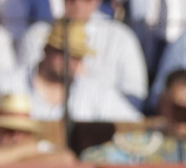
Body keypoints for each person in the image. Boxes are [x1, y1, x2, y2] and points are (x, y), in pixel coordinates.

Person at [20, 0, 147, 104]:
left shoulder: (122, 38)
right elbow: (24, 86)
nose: (78, 3)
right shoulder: (36, 35)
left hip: (105, 122)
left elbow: (135, 96)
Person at [3, 20, 141, 123]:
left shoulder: (96, 92)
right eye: (63, 52)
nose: (70, 60)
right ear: (47, 49)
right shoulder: (7, 83)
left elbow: (133, 125)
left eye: (77, 56)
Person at [0, 91, 68, 163]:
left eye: (23, 131)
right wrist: (24, 150)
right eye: (10, 130)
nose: (16, 136)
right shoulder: (33, 148)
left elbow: (66, 158)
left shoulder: (42, 148)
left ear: (31, 133)